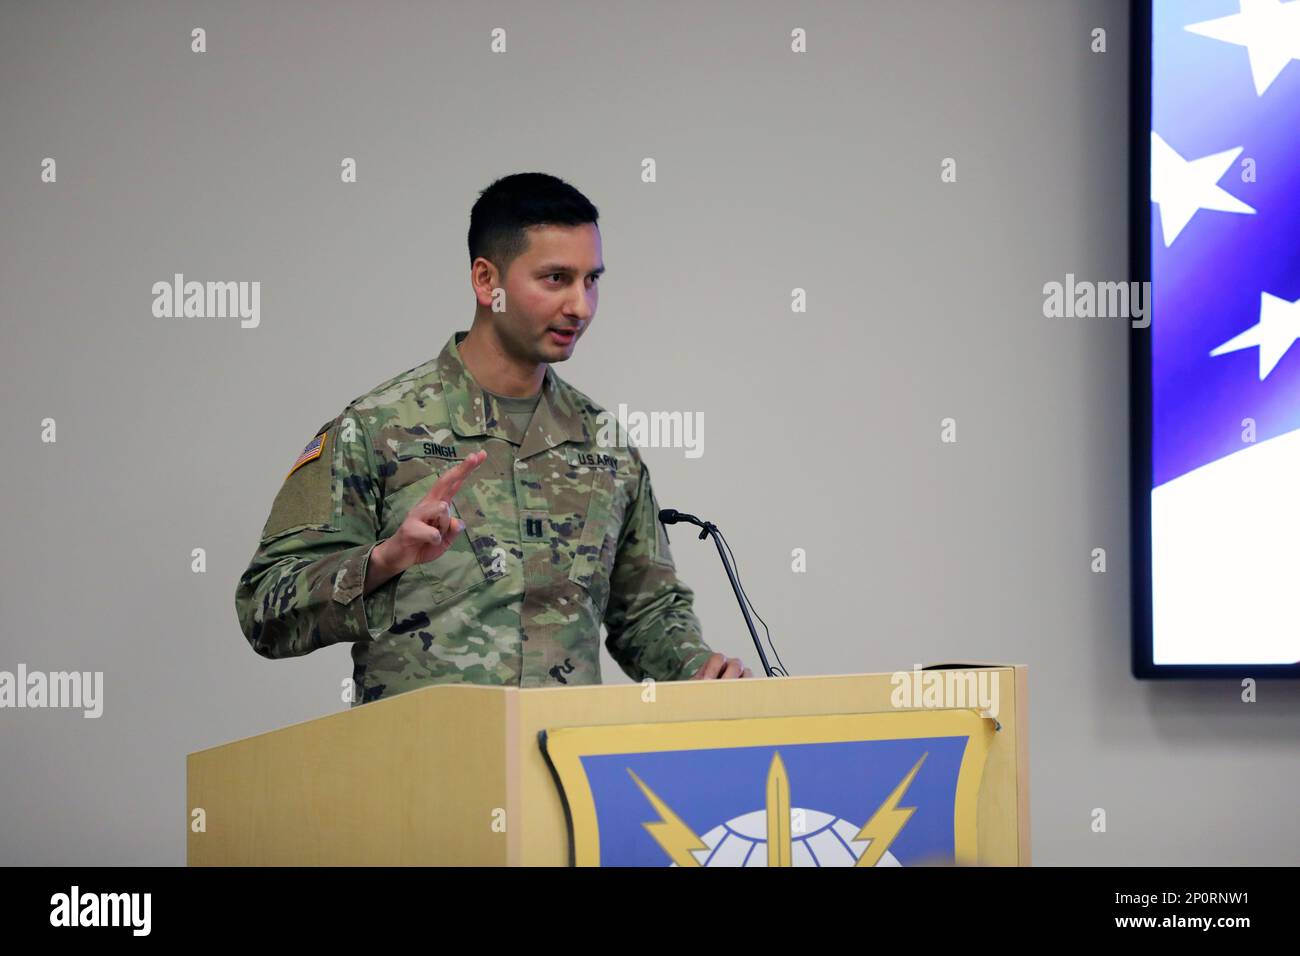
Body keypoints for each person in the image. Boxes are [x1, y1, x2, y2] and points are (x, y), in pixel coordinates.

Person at [235, 172, 751, 704]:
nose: (581, 306)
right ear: (487, 281)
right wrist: (385, 560)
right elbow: (262, 610)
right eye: (555, 279)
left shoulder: (605, 446)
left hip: (563, 771)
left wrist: (696, 668)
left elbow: (645, 613)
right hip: (423, 773)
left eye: (591, 280)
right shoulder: (375, 429)